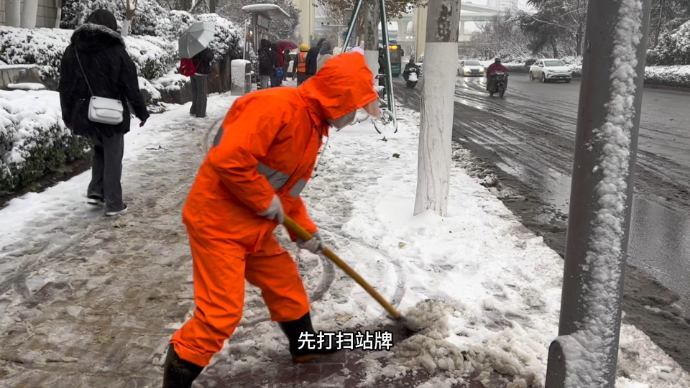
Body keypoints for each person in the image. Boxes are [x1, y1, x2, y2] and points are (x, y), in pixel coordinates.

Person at [162, 52, 381, 388]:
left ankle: (304, 344)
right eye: (356, 108)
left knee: (285, 282)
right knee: (221, 313)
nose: (355, 117)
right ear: (340, 99)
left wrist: (305, 231)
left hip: (252, 226)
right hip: (218, 222)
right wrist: (264, 200)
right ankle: (177, 378)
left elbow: (286, 191)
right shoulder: (278, 106)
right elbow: (229, 160)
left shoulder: (312, 126)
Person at [58, 9, 149, 217]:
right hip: (112, 114)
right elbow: (130, 85)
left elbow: (65, 86)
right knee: (113, 156)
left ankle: (96, 193)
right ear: (112, 27)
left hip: (86, 113)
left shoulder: (73, 50)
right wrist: (141, 111)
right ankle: (114, 204)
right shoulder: (117, 51)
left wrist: (68, 115)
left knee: (99, 150)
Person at [190, 47, 214, 118]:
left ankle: (193, 110)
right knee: (202, 95)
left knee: (196, 93)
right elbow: (209, 57)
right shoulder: (202, 47)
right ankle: (200, 113)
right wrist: (209, 51)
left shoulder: (191, 46)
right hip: (200, 73)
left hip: (192, 72)